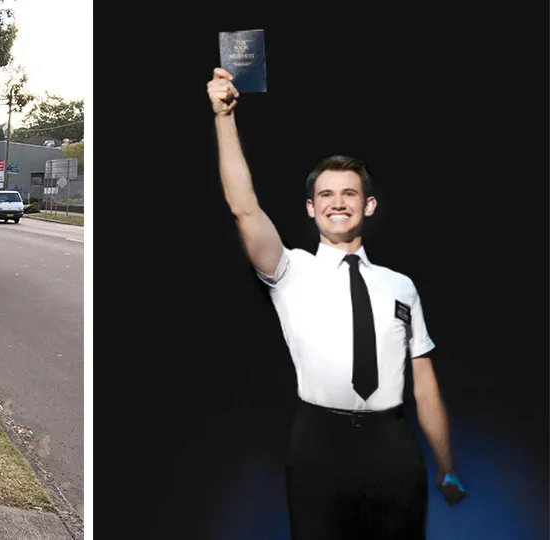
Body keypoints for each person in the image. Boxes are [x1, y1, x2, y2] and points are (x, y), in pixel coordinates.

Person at [206, 67, 467, 540]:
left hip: (393, 443)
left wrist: (446, 465)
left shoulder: (401, 287)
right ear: (310, 207)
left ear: (368, 205)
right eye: (325, 194)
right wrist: (224, 116)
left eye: (350, 193)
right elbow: (243, 205)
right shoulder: (290, 270)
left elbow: (424, 385)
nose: (337, 202)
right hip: (318, 444)